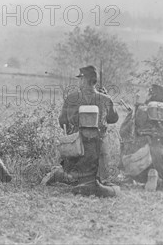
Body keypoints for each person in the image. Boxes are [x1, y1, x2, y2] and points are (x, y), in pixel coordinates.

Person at [42, 65, 119, 197]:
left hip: (77, 151)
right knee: (105, 183)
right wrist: (106, 100)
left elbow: (62, 122)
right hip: (99, 151)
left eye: (80, 79)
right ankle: (87, 182)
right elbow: (113, 119)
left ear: (83, 80)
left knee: (73, 177)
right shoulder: (106, 99)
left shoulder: (72, 98)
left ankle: (60, 174)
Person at [119, 84, 163, 190]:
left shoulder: (139, 110)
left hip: (139, 157)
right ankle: (160, 179)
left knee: (129, 161)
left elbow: (123, 133)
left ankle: (145, 177)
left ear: (152, 94)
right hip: (162, 156)